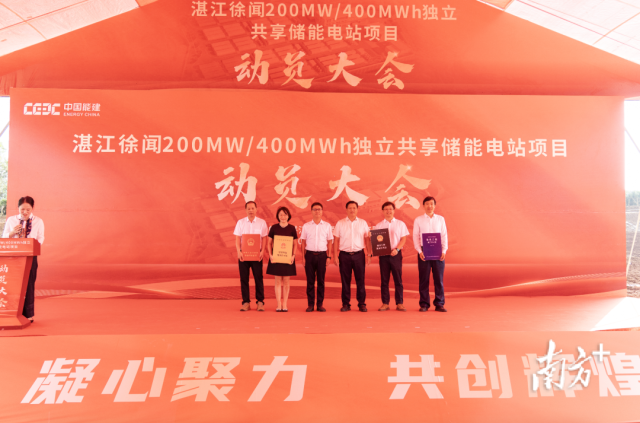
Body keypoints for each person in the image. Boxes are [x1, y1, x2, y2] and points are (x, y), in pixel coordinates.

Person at [2, 196, 45, 323]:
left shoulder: (38, 221)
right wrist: (11, 233)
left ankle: (28, 314)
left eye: (28, 209)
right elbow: (4, 237)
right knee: (13, 284)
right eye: (22, 209)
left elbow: (41, 238)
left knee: (29, 283)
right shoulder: (11, 220)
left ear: (32, 208)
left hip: (30, 256)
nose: (25, 212)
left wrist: (32, 245)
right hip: (13, 256)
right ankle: (12, 311)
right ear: (18, 208)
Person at [333, 201, 371, 312]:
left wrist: (369, 254)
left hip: (359, 255)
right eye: (350, 208)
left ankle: (362, 303)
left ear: (357, 209)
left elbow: (367, 239)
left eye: (354, 208)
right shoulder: (340, 223)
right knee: (345, 281)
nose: (352, 210)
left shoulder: (363, 223)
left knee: (360, 280)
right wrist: (335, 256)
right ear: (346, 209)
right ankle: (346, 304)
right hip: (344, 255)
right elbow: (336, 240)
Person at [413, 196, 448, 312]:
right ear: (423, 206)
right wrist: (419, 251)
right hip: (424, 252)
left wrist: (444, 251)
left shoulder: (440, 219)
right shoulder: (418, 220)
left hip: (438, 251)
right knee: (424, 279)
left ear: (435, 205)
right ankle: (424, 304)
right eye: (427, 204)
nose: (429, 206)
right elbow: (416, 236)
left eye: (432, 204)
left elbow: (444, 235)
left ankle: (439, 303)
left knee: (439, 279)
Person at [373, 201, 409, 312]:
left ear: (394, 210)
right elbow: (376, 242)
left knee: (398, 279)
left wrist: (397, 249)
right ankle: (385, 303)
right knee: (384, 280)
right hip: (383, 256)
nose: (388, 211)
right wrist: (371, 236)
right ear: (383, 211)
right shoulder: (378, 226)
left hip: (396, 254)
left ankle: (400, 303)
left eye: (390, 209)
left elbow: (403, 239)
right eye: (386, 209)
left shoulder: (400, 224)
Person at [233, 201, 268, 312]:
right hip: (244, 255)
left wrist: (263, 251)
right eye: (248, 208)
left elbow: (264, 238)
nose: (251, 210)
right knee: (244, 279)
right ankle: (246, 302)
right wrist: (238, 251)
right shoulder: (240, 222)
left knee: (258, 278)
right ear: (245, 210)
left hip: (257, 255)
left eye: (253, 208)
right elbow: (238, 238)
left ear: (256, 209)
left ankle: (260, 302)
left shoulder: (262, 223)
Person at [300, 202, 333, 312]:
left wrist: (329, 257)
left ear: (322, 211)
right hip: (309, 255)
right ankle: (310, 304)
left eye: (319, 209)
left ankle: (320, 304)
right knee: (310, 281)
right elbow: (303, 242)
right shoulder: (306, 226)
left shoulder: (327, 226)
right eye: (315, 209)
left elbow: (330, 241)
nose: (317, 211)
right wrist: (303, 257)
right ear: (311, 211)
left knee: (321, 281)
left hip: (322, 256)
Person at [266, 206, 298, 312]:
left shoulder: (292, 228)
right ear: (278, 216)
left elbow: (295, 244)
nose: (283, 217)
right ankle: (278, 304)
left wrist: (293, 255)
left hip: (288, 258)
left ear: (288, 216)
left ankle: (285, 304)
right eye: (281, 215)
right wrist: (270, 255)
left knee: (287, 282)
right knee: (278, 282)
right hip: (276, 257)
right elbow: (269, 243)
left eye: (285, 214)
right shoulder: (274, 228)